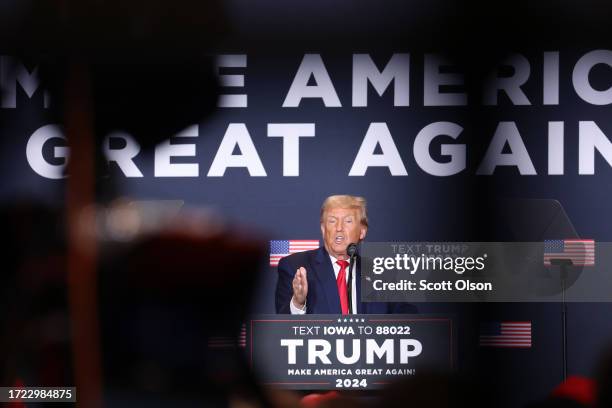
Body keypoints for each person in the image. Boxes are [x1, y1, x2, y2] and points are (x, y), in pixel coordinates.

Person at [275, 195, 416, 314]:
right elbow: (282, 325)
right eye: (332, 221)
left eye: (348, 221)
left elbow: (409, 321)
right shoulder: (296, 267)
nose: (339, 228)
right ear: (323, 229)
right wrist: (298, 303)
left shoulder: (382, 273)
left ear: (362, 231)